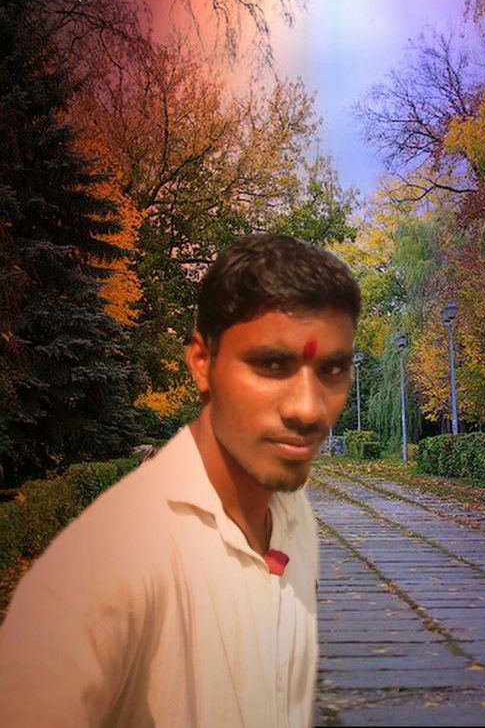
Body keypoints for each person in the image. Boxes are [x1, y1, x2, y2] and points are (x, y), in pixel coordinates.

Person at [0, 233, 361, 728]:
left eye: (332, 369)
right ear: (202, 363)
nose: (308, 408)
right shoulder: (110, 564)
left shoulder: (291, 520)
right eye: (270, 364)